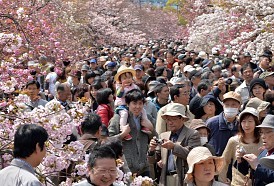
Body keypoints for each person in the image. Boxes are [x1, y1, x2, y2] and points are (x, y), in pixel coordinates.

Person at [148, 103, 201, 186]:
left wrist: (173, 147)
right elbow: (153, 160)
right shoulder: (163, 135)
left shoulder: (193, 134)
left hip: (184, 178)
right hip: (166, 179)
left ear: (182, 119)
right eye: (168, 119)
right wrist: (151, 150)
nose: (170, 122)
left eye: (174, 119)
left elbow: (194, 156)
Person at [108, 89, 154, 176]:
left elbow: (155, 138)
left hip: (144, 166)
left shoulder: (147, 118)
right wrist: (122, 134)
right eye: (134, 103)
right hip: (126, 169)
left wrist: (151, 128)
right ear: (128, 104)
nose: (137, 107)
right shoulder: (117, 119)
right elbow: (108, 141)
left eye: (140, 103)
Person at [219, 107, 262, 185]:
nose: (246, 125)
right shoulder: (234, 141)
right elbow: (224, 161)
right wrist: (222, 181)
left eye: (250, 121)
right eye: (243, 121)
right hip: (237, 183)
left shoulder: (263, 141)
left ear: (256, 122)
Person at [114, 65, 152, 140]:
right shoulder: (119, 87)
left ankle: (144, 125)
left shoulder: (134, 86)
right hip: (123, 106)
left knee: (143, 111)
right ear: (120, 80)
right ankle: (123, 129)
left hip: (133, 106)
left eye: (129, 77)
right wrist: (122, 88)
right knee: (124, 114)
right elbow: (119, 95)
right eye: (124, 78)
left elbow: (139, 94)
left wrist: (144, 99)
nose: (127, 80)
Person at [240, 115, 274, 185]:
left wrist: (257, 166)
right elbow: (251, 172)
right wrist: (242, 160)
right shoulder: (264, 152)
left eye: (268, 132)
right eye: (261, 132)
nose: (263, 136)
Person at [206, 91, 242, 156]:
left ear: (239, 106)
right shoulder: (212, 123)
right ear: (223, 105)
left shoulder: (242, 124)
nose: (230, 107)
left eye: (233, 105)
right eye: (227, 104)